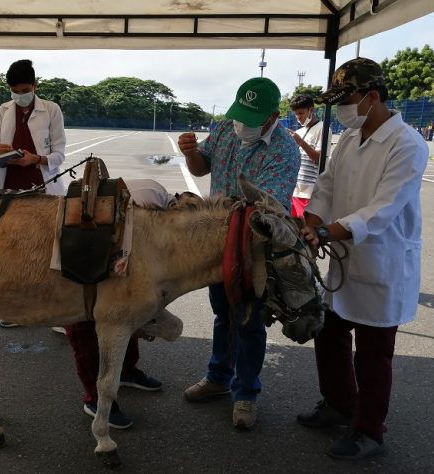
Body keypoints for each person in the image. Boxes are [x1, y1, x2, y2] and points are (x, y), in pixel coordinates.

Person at [296, 57, 428, 460]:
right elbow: (326, 185)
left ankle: (370, 430)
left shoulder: (407, 144)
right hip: (344, 257)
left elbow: (382, 209)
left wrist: (324, 232)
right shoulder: (350, 139)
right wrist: (311, 221)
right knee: (329, 333)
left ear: (372, 97)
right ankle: (339, 404)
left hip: (381, 263)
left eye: (346, 100)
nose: (340, 111)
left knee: (373, 353)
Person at [177, 77, 300, 430]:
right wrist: (190, 152)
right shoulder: (225, 130)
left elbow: (265, 210)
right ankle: (218, 377)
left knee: (249, 318)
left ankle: (246, 392)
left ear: (273, 116)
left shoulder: (284, 149)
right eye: (239, 114)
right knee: (223, 313)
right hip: (220, 243)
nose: (242, 124)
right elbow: (202, 166)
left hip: (254, 245)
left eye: (252, 117)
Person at [64, 179, 174, 430]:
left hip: (117, 239)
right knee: (83, 326)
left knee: (128, 306)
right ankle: (93, 398)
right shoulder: (137, 211)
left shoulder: (159, 204)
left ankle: (126, 370)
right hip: (89, 248)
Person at [0, 59, 66, 329]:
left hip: (42, 186)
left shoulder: (51, 110)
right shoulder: (3, 110)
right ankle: (16, 309)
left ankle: (55, 312)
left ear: (35, 85)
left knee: (47, 250)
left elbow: (59, 155)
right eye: (15, 90)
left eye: (25, 89)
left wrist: (36, 159)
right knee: (14, 250)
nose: (20, 95)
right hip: (10, 187)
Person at [287, 94, 324, 217]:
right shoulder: (299, 132)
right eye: (296, 114)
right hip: (295, 189)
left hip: (310, 191)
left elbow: (319, 159)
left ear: (311, 110)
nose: (298, 117)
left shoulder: (322, 128)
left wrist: (301, 142)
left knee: (306, 229)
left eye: (301, 113)